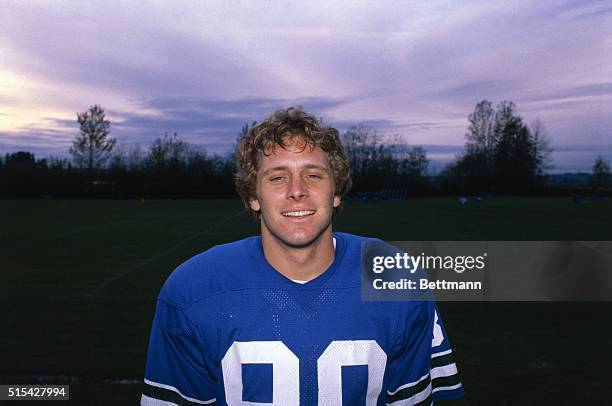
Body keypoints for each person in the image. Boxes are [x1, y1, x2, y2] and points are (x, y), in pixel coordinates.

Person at [140, 107, 464, 405]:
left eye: (313, 174)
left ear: (336, 192)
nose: (297, 190)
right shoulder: (191, 290)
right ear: (254, 196)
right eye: (278, 177)